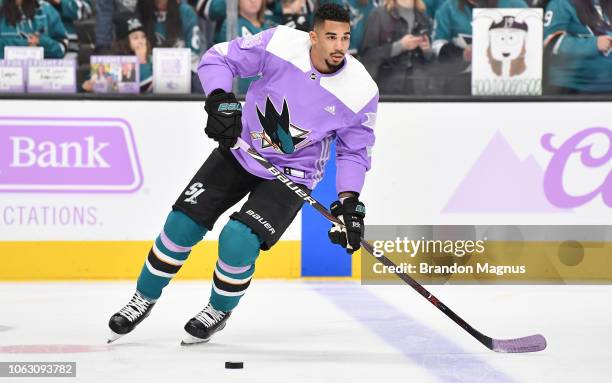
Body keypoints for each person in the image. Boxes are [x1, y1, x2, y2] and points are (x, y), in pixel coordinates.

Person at [107, 3, 378, 345]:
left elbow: (354, 150)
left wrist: (349, 200)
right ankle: (142, 298)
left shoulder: (360, 90)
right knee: (181, 225)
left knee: (238, 240)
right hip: (240, 148)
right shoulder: (279, 43)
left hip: (293, 173)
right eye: (331, 37)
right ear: (313, 36)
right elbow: (217, 58)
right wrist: (220, 100)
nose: (339, 46)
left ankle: (218, 310)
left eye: (345, 37)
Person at [432, 0, 528, 94]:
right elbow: (437, 45)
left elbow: (534, 41)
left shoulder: (515, 5)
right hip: (463, 82)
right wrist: (461, 54)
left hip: (510, 82)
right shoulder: (449, 8)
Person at [360, 0, 435, 94]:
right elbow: (367, 55)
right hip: (386, 91)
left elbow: (431, 61)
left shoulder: (423, 17)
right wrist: (400, 46)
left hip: (418, 90)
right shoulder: (378, 14)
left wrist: (427, 50)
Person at [543, 0, 611, 94]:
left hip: (607, 85)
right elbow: (550, 42)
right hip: (573, 88)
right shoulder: (561, 3)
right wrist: (594, 44)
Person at [215, 0, 275, 93]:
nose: (253, 1)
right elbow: (236, 63)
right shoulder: (231, 25)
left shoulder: (270, 27)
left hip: (270, 93)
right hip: (242, 94)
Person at [0, 0, 68, 59]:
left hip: (41, 72)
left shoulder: (46, 10)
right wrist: (25, 44)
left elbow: (61, 48)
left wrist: (41, 42)